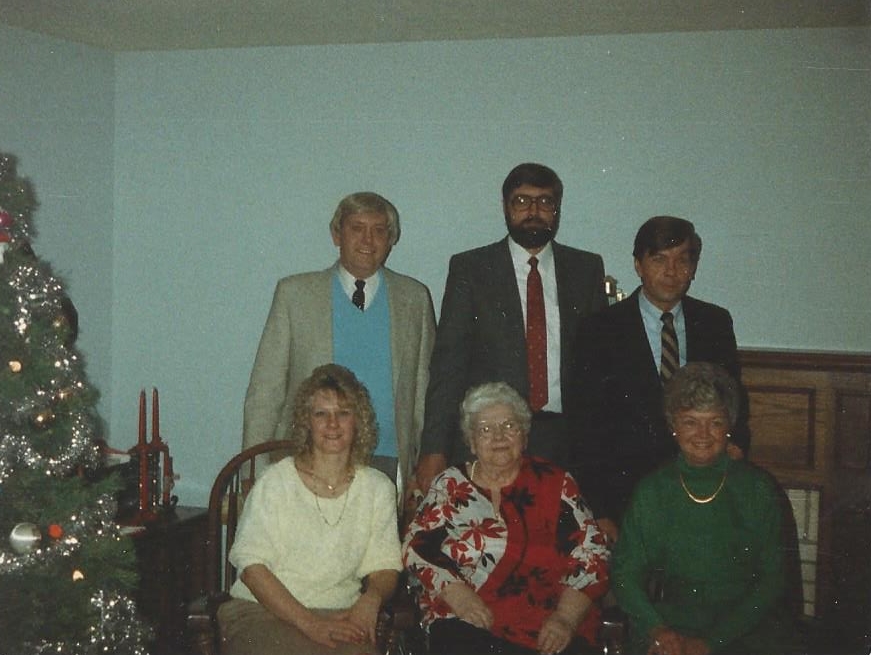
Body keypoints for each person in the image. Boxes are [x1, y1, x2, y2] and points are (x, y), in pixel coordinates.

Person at [414, 163, 608, 495]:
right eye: (521, 201)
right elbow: (448, 366)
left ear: (557, 209)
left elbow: (598, 366)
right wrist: (434, 447)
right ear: (505, 207)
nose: (533, 211)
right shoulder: (471, 269)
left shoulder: (585, 269)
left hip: (565, 440)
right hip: (491, 440)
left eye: (545, 202)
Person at [243, 192, 436, 502]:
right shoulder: (295, 294)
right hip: (308, 459)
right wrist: (251, 470)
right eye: (357, 228)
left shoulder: (414, 298)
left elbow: (425, 392)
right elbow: (266, 389)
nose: (368, 240)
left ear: (390, 240)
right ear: (336, 235)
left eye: (379, 230)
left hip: (388, 461)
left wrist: (424, 461)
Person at [569, 216, 748, 543]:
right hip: (626, 497)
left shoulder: (714, 323)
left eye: (682, 260)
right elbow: (584, 427)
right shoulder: (599, 330)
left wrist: (733, 452)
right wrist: (601, 510)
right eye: (659, 260)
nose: (671, 271)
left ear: (694, 267)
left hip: (702, 486)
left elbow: (735, 405)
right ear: (638, 265)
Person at [403, 382, 610, 655]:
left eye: (509, 426)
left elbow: (592, 555)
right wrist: (460, 597)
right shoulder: (449, 485)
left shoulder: (555, 483)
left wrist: (565, 618)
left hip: (547, 623)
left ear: (524, 436)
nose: (499, 436)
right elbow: (416, 547)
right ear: (471, 442)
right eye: (485, 429)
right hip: (467, 618)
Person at [612, 363, 798, 655]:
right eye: (690, 422)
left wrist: (712, 642)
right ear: (673, 426)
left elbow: (773, 580)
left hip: (746, 626)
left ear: (729, 427)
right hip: (672, 624)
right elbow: (625, 572)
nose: (703, 434)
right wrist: (657, 629)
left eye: (715, 422)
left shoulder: (757, 488)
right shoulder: (653, 490)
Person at [218, 364, 401, 655]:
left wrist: (372, 598)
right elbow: (252, 569)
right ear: (307, 423)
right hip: (262, 611)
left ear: (358, 421)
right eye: (321, 414)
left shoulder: (378, 488)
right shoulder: (276, 481)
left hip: (340, 614)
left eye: (343, 413)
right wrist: (311, 624)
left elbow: (385, 565)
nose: (333, 424)